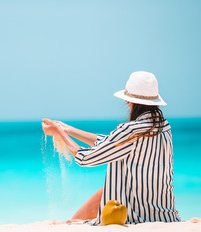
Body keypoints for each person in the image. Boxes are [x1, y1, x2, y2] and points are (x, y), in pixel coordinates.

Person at [42, 71, 181, 225]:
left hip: (135, 218)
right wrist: (68, 129)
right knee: (104, 192)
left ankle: (69, 223)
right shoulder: (164, 127)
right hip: (166, 216)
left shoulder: (130, 130)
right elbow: (110, 144)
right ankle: (69, 222)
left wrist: (60, 133)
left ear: (130, 102)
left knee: (107, 190)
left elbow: (85, 158)